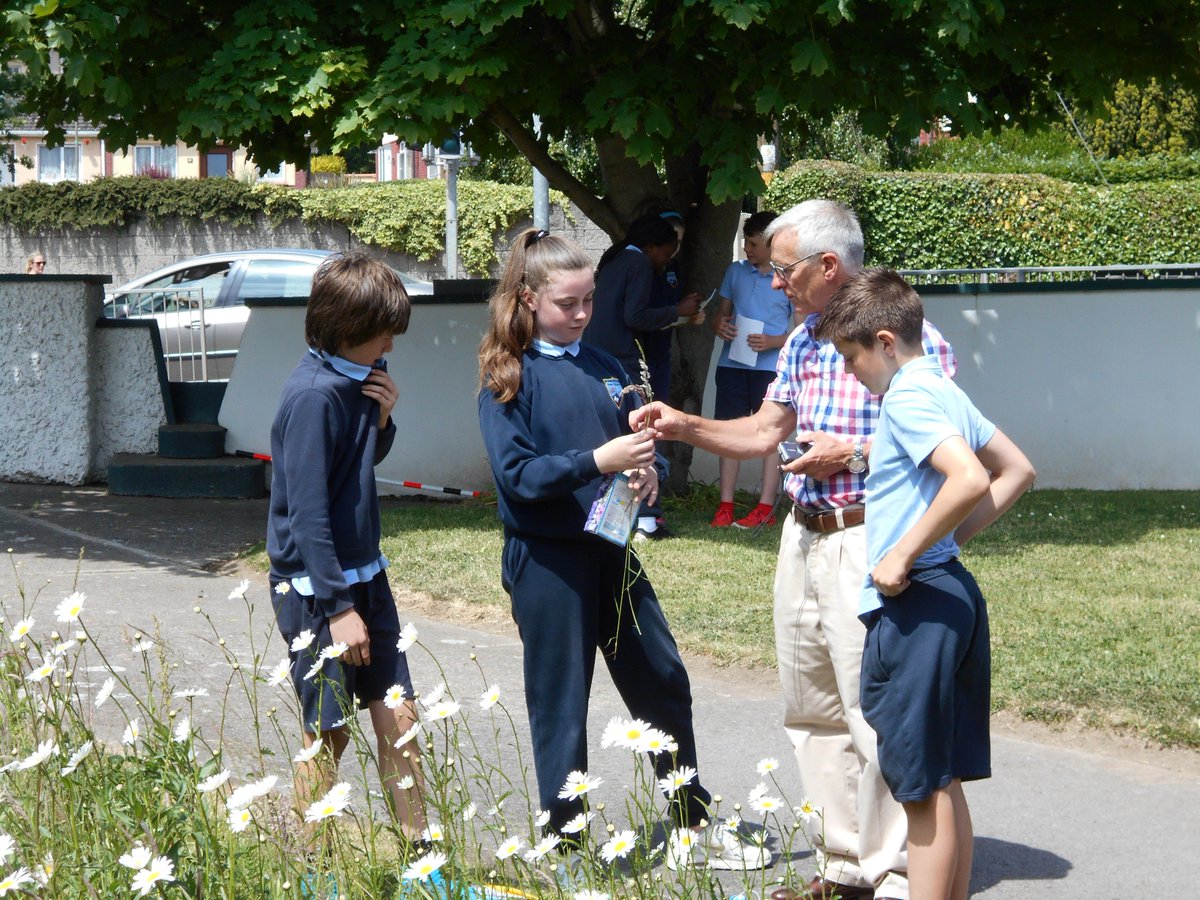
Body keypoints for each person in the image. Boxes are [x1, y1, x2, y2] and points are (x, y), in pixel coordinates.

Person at [631, 199, 956, 900]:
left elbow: (951, 445)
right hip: (804, 536)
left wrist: (858, 451)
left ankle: (897, 875)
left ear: (828, 266)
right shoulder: (807, 340)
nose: (773, 283)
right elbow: (761, 434)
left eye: (782, 271)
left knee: (876, 713)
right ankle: (845, 868)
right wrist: (683, 425)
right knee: (812, 708)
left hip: (871, 536)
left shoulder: (907, 338)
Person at [477, 228, 768, 871]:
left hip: (612, 552)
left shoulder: (607, 365)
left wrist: (646, 474)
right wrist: (595, 460)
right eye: (568, 304)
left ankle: (691, 819)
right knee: (561, 702)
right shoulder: (508, 379)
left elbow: (638, 447)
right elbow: (518, 479)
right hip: (547, 563)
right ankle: (566, 843)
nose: (583, 315)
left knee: (663, 677)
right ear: (527, 300)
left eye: (588, 301)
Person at [812, 269, 1035, 900]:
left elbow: (968, 478)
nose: (851, 372)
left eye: (851, 357)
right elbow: (1016, 470)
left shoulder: (907, 397)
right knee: (940, 778)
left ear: (885, 341)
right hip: (952, 594)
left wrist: (906, 551)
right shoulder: (941, 388)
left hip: (917, 609)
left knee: (918, 787)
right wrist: (946, 543)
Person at [266, 252, 427, 849]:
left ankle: (422, 859)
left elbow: (353, 469)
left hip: (364, 575)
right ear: (346, 326)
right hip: (317, 591)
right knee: (328, 731)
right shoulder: (313, 397)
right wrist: (337, 607)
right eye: (383, 331)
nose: (391, 342)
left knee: (400, 716)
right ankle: (309, 863)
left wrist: (383, 421)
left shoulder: (358, 382)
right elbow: (307, 514)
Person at [585, 214, 701, 541]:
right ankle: (649, 520)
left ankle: (613, 513)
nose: (667, 261)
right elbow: (635, 315)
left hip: (598, 358)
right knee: (646, 431)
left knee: (614, 433)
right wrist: (678, 310)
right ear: (650, 247)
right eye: (666, 254)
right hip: (623, 362)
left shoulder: (615, 260)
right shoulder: (638, 264)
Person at [708, 211, 793, 529]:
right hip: (732, 364)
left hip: (771, 371)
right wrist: (720, 325)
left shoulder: (786, 277)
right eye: (746, 241)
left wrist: (774, 341)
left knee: (771, 438)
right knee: (728, 433)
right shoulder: (735, 272)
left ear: (772, 245)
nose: (747, 247)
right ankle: (725, 505)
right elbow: (722, 315)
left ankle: (766, 508)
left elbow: (801, 331)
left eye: (754, 243)